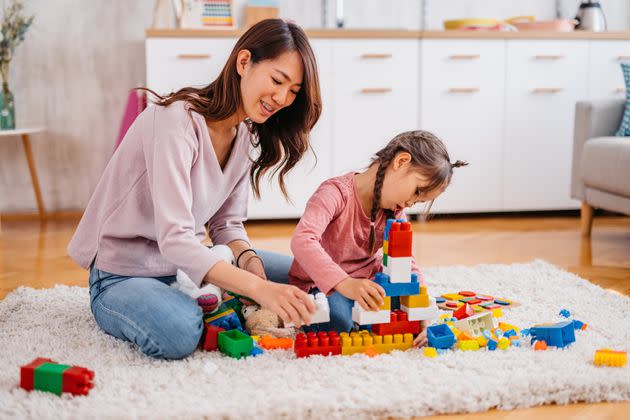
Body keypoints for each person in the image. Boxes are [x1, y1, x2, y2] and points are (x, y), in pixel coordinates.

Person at [67, 19, 322, 359]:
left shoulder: (244, 137)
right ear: (244, 62)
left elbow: (225, 225)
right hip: (121, 275)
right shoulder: (175, 122)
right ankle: (212, 302)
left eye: (293, 91)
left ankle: (217, 296)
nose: (281, 98)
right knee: (179, 332)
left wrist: (249, 263)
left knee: (306, 275)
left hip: (180, 269)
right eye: (277, 80)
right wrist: (259, 290)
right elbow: (174, 237)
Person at [288, 130, 467, 347]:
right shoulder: (335, 193)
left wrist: (419, 312)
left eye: (419, 201)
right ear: (401, 161)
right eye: (417, 191)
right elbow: (302, 240)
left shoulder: (395, 210)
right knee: (337, 321)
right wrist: (346, 284)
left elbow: (406, 262)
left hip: (367, 284)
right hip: (321, 284)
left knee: (394, 317)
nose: (411, 203)